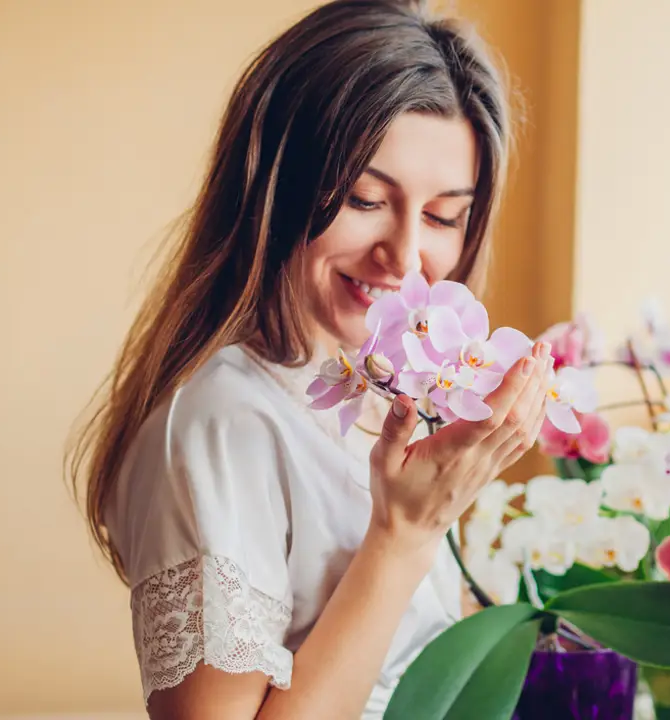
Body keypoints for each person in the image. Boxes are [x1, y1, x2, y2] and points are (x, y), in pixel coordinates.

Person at [66, 1, 551, 717]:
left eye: (446, 216)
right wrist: (403, 537)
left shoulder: (377, 394)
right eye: (363, 198)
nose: (407, 256)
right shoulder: (221, 424)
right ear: (273, 186)